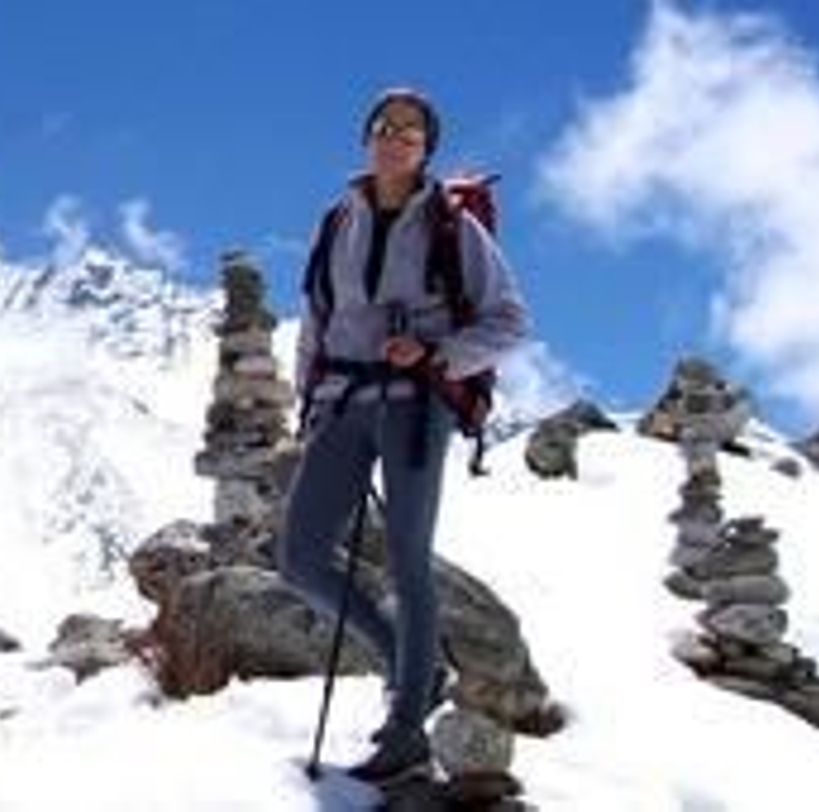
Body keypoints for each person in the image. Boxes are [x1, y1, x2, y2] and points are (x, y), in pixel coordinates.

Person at [277, 87, 529, 783]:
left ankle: (407, 728)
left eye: (411, 133)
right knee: (299, 557)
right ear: (368, 138)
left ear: (426, 150)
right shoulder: (339, 219)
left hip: (416, 405)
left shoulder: (453, 225)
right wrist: (309, 399)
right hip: (342, 401)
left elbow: (509, 320)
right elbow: (316, 317)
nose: (395, 138)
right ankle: (406, 661)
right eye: (386, 127)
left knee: (408, 559)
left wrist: (437, 355)